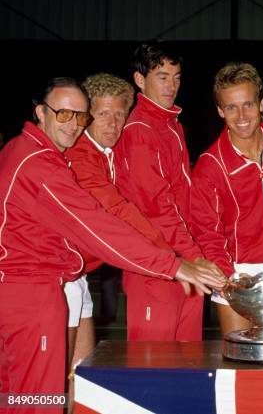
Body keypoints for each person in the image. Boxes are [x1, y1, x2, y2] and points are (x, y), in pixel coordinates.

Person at [0, 77, 224, 414]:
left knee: (20, 393)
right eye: (63, 114)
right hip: (31, 290)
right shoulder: (40, 164)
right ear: (40, 113)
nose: (73, 124)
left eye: (79, 115)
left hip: (31, 285)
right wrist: (174, 263)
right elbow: (102, 225)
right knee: (40, 398)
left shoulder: (25, 149)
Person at [63, 72, 175, 399]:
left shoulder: (108, 154)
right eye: (103, 114)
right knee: (46, 382)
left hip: (78, 275)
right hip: (52, 277)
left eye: (119, 114)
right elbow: (118, 210)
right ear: (87, 116)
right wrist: (175, 255)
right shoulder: (80, 157)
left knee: (79, 374)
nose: (113, 123)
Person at [190, 63, 263, 334]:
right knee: (241, 365)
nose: (241, 115)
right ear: (220, 110)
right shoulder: (210, 165)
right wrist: (227, 277)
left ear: (262, 103)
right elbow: (208, 232)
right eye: (231, 107)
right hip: (237, 272)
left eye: (248, 104)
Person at [113, 42, 217, 341]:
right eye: (162, 76)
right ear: (139, 80)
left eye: (177, 76)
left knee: (188, 362)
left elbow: (184, 199)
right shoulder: (139, 131)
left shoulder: (171, 124)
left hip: (184, 261)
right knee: (153, 370)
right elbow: (157, 209)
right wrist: (196, 256)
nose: (172, 85)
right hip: (156, 266)